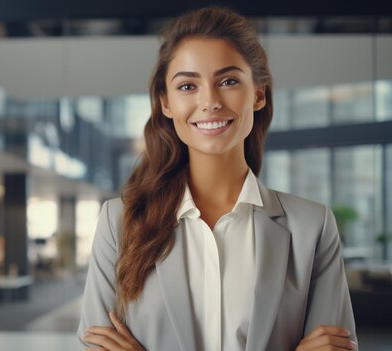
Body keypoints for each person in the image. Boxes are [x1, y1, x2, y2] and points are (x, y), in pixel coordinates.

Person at [77, 6, 357, 351]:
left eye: (228, 81)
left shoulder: (311, 226)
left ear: (258, 94)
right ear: (166, 103)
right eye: (187, 86)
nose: (209, 101)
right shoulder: (118, 223)